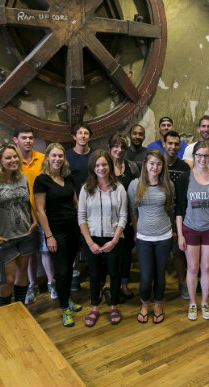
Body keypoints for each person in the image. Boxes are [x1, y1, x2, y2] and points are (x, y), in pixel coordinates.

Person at [0, 144, 38, 306]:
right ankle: (6, 311)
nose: (14, 160)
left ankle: (20, 307)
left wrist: (35, 220)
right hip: (1, 237)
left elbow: (27, 202)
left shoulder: (21, 177)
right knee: (8, 279)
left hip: (25, 233)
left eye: (15, 156)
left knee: (22, 274)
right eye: (8, 157)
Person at [34, 143, 83, 327]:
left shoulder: (67, 177)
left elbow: (76, 202)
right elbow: (40, 211)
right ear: (47, 157)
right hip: (56, 231)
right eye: (54, 155)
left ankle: (67, 297)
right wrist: (49, 236)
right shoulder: (42, 180)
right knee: (61, 270)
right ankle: (64, 309)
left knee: (69, 268)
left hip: (72, 228)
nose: (57, 159)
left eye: (60, 156)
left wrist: (81, 224)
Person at [176, 142, 209, 320]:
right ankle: (192, 303)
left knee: (206, 266)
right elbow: (179, 209)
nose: (202, 159)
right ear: (194, 155)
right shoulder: (185, 178)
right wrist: (180, 234)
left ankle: (204, 302)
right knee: (193, 267)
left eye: (206, 155)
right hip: (190, 228)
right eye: (199, 155)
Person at [78, 150, 128, 328]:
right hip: (92, 239)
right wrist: (90, 242)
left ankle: (113, 306)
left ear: (110, 166)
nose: (101, 168)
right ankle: (94, 307)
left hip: (113, 238)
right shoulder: (86, 189)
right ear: (93, 167)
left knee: (114, 274)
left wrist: (114, 241)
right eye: (97, 165)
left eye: (104, 164)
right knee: (94, 275)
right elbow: (81, 217)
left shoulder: (119, 188)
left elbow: (123, 216)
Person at [128, 149, 174, 324]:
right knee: (146, 276)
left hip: (164, 236)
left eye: (158, 164)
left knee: (160, 274)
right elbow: (133, 211)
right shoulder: (135, 185)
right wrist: (135, 231)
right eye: (152, 163)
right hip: (143, 238)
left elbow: (170, 209)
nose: (155, 167)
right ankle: (144, 304)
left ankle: (157, 304)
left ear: (162, 166)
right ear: (145, 165)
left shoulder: (168, 185)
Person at [12, 126, 56, 304]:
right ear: (16, 140)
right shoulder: (13, 161)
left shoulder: (42, 158)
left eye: (30, 138)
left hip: (43, 211)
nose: (28, 141)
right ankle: (32, 285)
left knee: (46, 250)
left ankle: (51, 282)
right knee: (28, 253)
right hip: (23, 214)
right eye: (24, 138)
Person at [109, 134, 140, 300]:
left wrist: (135, 217)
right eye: (116, 146)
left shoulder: (132, 167)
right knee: (110, 253)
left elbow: (136, 192)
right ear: (109, 148)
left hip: (128, 219)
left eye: (122, 147)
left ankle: (124, 284)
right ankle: (111, 285)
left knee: (126, 253)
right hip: (109, 220)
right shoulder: (104, 166)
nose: (119, 150)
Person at [66, 124, 94, 291]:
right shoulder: (67, 156)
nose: (83, 136)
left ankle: (94, 272)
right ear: (74, 137)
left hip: (93, 205)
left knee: (92, 239)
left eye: (86, 133)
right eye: (80, 133)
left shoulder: (94, 155)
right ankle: (75, 275)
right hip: (74, 205)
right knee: (74, 242)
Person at [164, 130, 191, 300]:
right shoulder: (157, 164)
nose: (173, 147)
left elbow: (187, 194)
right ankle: (157, 286)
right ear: (164, 144)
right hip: (160, 216)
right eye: (170, 143)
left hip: (179, 216)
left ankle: (182, 284)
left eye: (176, 144)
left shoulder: (184, 167)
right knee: (158, 255)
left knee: (179, 253)